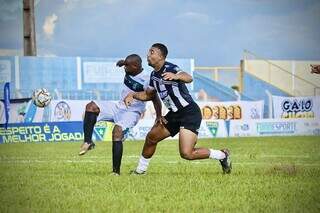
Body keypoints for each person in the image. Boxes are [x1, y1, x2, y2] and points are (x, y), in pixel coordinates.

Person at [124, 43, 232, 175]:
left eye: (152, 52)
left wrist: (176, 76)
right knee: (151, 137)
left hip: (189, 113)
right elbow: (149, 95)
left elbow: (188, 77)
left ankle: (222, 155)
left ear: (161, 56)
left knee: (187, 153)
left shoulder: (171, 68)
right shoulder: (153, 76)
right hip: (174, 114)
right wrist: (133, 95)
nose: (148, 55)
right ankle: (140, 171)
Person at [79, 54, 161, 176]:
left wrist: (159, 116)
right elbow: (127, 64)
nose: (124, 68)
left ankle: (115, 172)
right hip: (118, 107)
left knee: (117, 131)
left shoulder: (147, 79)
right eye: (125, 65)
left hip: (132, 112)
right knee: (91, 107)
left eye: (127, 66)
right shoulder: (130, 68)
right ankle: (88, 142)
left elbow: (154, 98)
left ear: (135, 66)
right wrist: (124, 62)